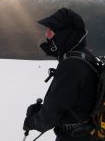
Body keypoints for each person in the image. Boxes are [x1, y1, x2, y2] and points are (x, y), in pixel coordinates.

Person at [23, 8, 98, 141]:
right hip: (86, 133)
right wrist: (40, 110)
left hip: (74, 137)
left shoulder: (71, 66)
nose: (47, 35)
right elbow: (75, 102)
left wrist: (31, 121)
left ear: (64, 35)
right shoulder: (84, 56)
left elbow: (47, 120)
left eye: (51, 31)